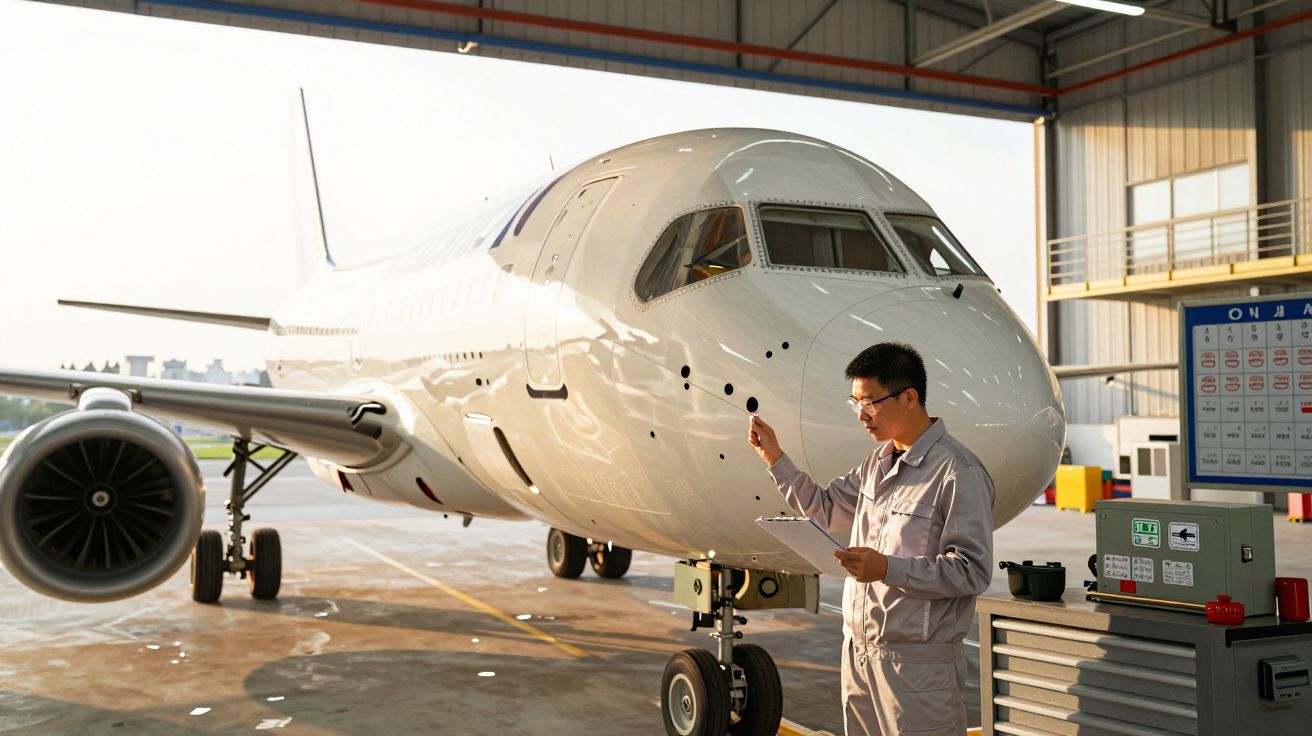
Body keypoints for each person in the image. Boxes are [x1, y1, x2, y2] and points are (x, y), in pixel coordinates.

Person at [747, 342, 995, 736]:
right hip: (860, 655)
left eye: (870, 402)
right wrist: (776, 461)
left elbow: (973, 571)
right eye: (855, 402)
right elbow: (825, 509)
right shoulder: (876, 464)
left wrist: (887, 568)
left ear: (909, 397)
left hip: (918, 667)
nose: (861, 415)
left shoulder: (957, 472)